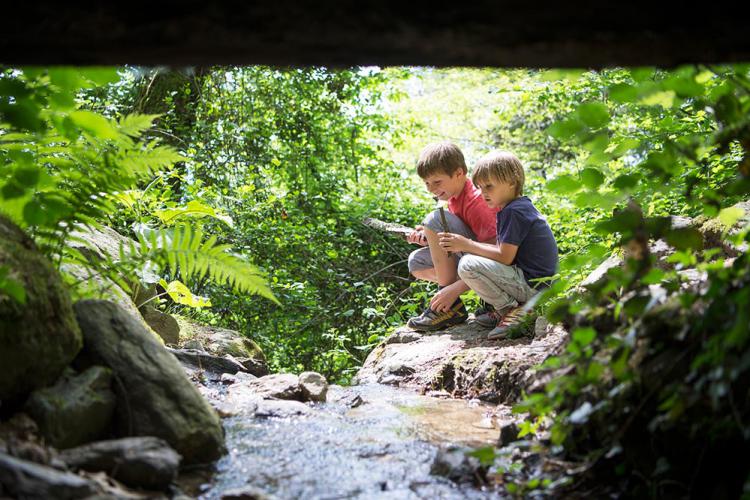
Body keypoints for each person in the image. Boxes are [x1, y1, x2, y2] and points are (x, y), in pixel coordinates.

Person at [437, 151, 558, 340]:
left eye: (489, 186)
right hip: (535, 282)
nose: (483, 193)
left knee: (468, 265)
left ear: (512, 182)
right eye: (480, 187)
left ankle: (512, 310)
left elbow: (505, 257)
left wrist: (466, 244)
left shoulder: (514, 212)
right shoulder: (517, 207)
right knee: (471, 261)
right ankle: (508, 309)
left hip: (534, 285)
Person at [405, 142, 499, 331]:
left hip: (495, 265)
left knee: (434, 219)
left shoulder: (477, 201)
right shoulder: (454, 198)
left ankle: (449, 305)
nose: (431, 189)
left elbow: (498, 254)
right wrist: (429, 236)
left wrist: (455, 289)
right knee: (417, 262)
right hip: (472, 258)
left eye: (437, 182)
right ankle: (452, 306)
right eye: (427, 183)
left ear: (459, 173)